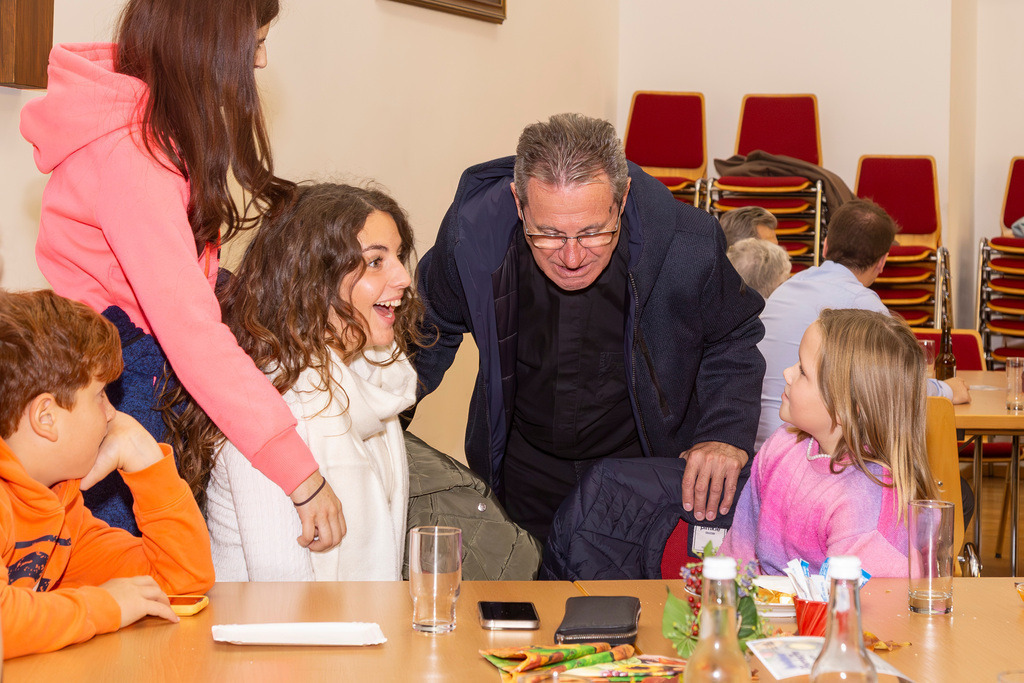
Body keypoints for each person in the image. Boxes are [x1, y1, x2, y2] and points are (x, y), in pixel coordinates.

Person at [20, 0, 344, 548]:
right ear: (208, 49)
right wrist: (301, 476)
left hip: (124, 365)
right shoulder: (132, 157)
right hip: (123, 380)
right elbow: (190, 331)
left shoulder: (142, 132)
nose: (261, 63)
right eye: (255, 44)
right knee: (149, 580)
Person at [414, 113, 765, 544]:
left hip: (639, 467)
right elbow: (426, 329)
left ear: (622, 199)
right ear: (518, 203)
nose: (573, 257)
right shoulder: (472, 241)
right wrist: (372, 425)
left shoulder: (687, 244)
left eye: (594, 232)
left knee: (632, 609)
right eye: (548, 234)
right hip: (524, 469)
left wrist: (723, 434)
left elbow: (733, 335)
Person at [172, 184, 420, 581]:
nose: (403, 277)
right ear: (315, 281)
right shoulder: (265, 405)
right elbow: (280, 595)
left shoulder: (376, 382)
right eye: (375, 262)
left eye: (398, 256)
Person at [0, 289, 214, 658]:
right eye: (100, 395)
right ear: (46, 417)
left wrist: (145, 458)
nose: (112, 412)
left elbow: (179, 583)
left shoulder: (60, 508)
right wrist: (107, 606)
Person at [720, 308, 939, 577]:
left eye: (803, 371)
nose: (787, 373)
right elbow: (739, 549)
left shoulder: (862, 502)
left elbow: (869, 605)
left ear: (844, 408)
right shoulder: (781, 445)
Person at [756, 199, 970, 449]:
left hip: (759, 445)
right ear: (882, 262)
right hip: (807, 450)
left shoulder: (785, 288)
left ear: (825, 247)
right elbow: (898, 384)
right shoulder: (863, 306)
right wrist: (947, 390)